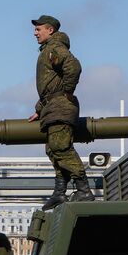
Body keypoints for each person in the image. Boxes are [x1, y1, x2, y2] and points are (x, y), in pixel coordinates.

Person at [28, 15, 92, 209]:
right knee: (53, 150)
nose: (35, 33)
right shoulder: (48, 50)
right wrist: (41, 108)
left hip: (60, 106)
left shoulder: (54, 48)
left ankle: (83, 190)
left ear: (50, 30)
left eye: (39, 29)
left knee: (60, 147)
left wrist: (66, 92)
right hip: (52, 107)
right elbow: (50, 86)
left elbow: (73, 67)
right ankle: (60, 192)